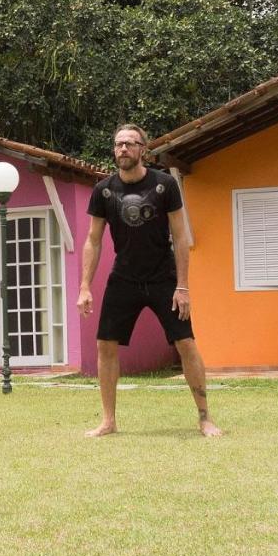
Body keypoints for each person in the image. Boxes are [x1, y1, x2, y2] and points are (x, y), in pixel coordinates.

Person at [76, 124, 222, 438]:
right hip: (124, 277)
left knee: (185, 343)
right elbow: (93, 240)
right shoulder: (104, 190)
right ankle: (108, 421)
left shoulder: (165, 184)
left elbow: (181, 238)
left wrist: (182, 286)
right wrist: (85, 287)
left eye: (130, 143)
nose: (123, 149)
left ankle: (205, 418)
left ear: (144, 149)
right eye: (118, 144)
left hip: (163, 277)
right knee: (105, 344)